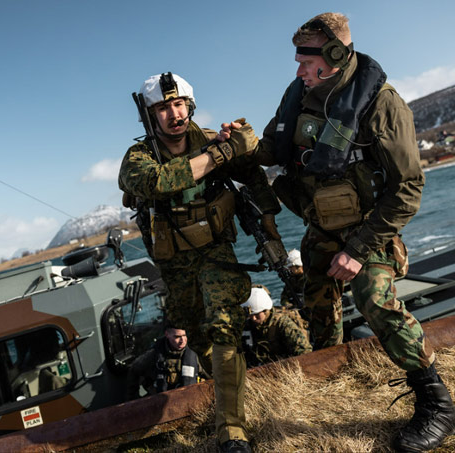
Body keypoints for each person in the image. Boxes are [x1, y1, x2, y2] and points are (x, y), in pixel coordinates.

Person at [220, 13, 455, 452]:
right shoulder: (300, 95)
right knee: (316, 308)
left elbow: (407, 188)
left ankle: (438, 405)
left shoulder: (382, 104)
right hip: (320, 229)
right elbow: (274, 149)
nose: (297, 71)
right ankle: (331, 382)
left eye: (304, 61)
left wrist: (358, 249)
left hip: (369, 232)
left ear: (333, 55)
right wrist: (242, 144)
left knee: (375, 301)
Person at [119, 72, 281, 453]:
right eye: (163, 107)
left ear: (189, 105)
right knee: (199, 334)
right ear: (150, 115)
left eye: (178, 105)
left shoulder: (211, 140)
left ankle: (232, 430)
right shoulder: (138, 158)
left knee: (224, 326)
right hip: (174, 263)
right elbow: (158, 182)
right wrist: (220, 154)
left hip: (215, 251)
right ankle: (230, 395)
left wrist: (270, 221)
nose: (173, 114)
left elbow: (252, 175)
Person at [125, 326, 209, 401]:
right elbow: (134, 370)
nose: (182, 341)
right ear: (167, 334)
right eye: (177, 337)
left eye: (184, 336)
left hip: (187, 400)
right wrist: (133, 400)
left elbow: (208, 377)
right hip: (159, 402)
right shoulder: (153, 355)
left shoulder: (193, 356)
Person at [241, 285, 312, 367]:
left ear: (266, 310)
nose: (253, 318)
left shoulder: (282, 323)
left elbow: (304, 351)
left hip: (285, 366)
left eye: (257, 314)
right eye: (250, 315)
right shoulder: (247, 325)